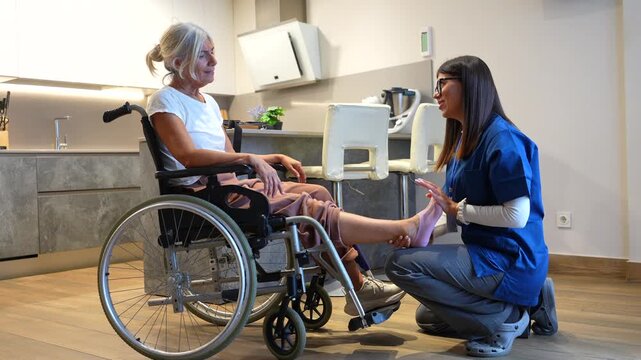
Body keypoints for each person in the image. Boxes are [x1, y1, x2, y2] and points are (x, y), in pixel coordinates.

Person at [144, 22, 436, 316]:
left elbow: (228, 154)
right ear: (179, 62)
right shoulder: (164, 100)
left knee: (319, 191)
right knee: (305, 207)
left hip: (229, 186)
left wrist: (272, 157)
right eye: (205, 56)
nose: (214, 61)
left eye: (213, 52)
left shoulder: (207, 102)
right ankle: (401, 231)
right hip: (203, 193)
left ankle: (359, 285)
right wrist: (249, 159)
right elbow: (188, 156)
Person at [385, 55, 558, 357]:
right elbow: (456, 212)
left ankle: (510, 317)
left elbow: (516, 216)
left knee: (399, 265)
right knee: (427, 318)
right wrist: (427, 231)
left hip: (510, 260)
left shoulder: (503, 141)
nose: (436, 93)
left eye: (442, 84)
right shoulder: (465, 139)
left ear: (470, 87)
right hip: (488, 254)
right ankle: (532, 299)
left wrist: (458, 211)